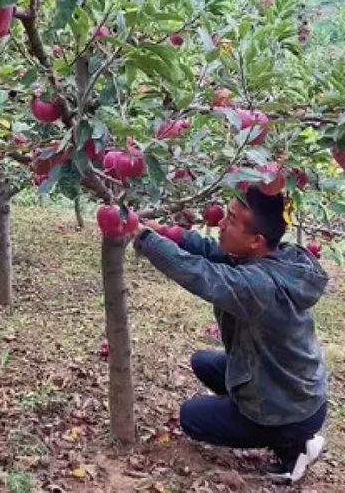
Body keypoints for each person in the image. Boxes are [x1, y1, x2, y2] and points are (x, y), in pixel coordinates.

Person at [133, 187, 328, 485]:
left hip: (289, 408)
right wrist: (172, 235)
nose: (221, 223)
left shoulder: (261, 286)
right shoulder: (280, 256)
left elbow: (203, 275)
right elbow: (217, 255)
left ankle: (293, 446)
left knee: (191, 417)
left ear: (256, 241)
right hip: (296, 387)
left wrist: (146, 239)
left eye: (231, 219)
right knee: (203, 362)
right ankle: (285, 429)